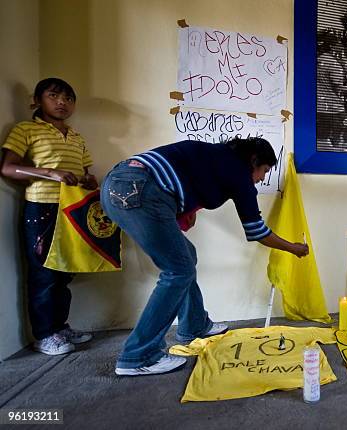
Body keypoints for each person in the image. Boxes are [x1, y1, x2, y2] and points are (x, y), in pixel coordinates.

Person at [100, 137, 309, 376]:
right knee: (179, 270)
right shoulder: (239, 173)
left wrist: (183, 207)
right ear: (253, 160)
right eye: (264, 170)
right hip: (143, 190)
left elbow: (183, 182)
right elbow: (257, 231)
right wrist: (294, 248)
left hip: (115, 184)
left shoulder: (215, 156)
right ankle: (138, 356)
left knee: (186, 255)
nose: (262, 178)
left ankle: (194, 325)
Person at [1, 78, 97, 355]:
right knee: (43, 272)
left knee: (64, 271)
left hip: (72, 209)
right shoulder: (26, 129)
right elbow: (8, 169)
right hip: (42, 208)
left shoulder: (77, 137)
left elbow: (85, 172)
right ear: (37, 101)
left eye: (68, 98)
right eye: (54, 96)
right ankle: (44, 335)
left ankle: (60, 326)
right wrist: (49, 173)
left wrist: (89, 181)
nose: (61, 103)